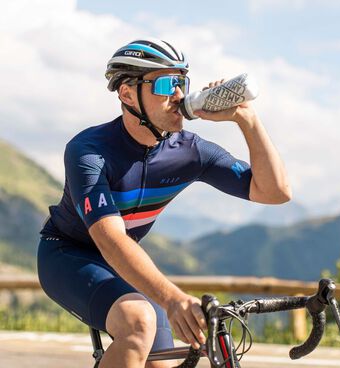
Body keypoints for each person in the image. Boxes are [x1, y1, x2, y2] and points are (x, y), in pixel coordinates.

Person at [37, 38, 291, 368]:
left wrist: (247, 119)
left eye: (182, 82)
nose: (179, 95)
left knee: (163, 364)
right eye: (166, 83)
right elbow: (110, 240)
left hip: (126, 264)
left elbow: (275, 192)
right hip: (68, 256)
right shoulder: (89, 151)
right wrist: (172, 299)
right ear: (127, 94)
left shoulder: (191, 150)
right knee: (138, 322)